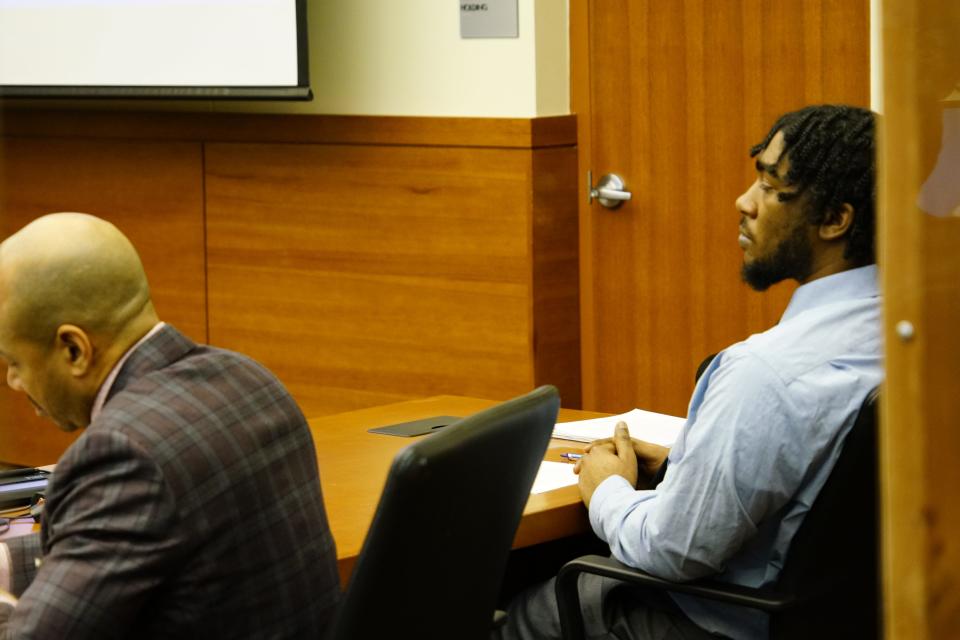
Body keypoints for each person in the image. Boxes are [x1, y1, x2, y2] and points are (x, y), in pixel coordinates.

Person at [496, 104, 882, 640]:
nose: (743, 202)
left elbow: (674, 551)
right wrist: (689, 462)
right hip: (844, 621)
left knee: (516, 606)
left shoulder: (765, 375)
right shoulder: (911, 344)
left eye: (770, 188)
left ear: (836, 220)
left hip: (714, 623)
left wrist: (607, 489)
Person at [0, 213, 340, 638]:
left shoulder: (123, 453)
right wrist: (7, 560)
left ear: (74, 350)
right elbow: (125, 541)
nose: (13, 381)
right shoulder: (249, 379)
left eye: (14, 362)